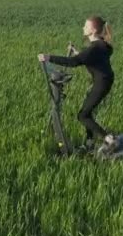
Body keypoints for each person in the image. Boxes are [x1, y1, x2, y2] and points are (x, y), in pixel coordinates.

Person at [38, 16, 118, 152]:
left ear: (92, 30)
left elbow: (74, 62)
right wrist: (77, 52)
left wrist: (48, 57)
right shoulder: (100, 45)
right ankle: (90, 143)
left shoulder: (94, 48)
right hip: (104, 81)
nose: (83, 28)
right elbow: (88, 58)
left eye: (86, 26)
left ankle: (108, 139)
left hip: (102, 83)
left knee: (83, 115)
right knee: (88, 112)